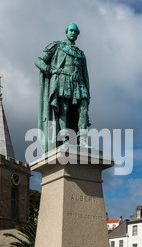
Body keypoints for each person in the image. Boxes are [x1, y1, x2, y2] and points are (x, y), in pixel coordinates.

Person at [35, 23, 91, 152]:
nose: (73, 33)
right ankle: (65, 139)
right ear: (66, 32)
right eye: (71, 30)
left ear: (77, 34)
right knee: (64, 111)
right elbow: (38, 61)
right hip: (63, 81)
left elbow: (85, 74)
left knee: (83, 111)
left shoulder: (81, 54)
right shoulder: (57, 46)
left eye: (75, 31)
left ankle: (82, 141)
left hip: (79, 83)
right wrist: (50, 70)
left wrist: (88, 91)